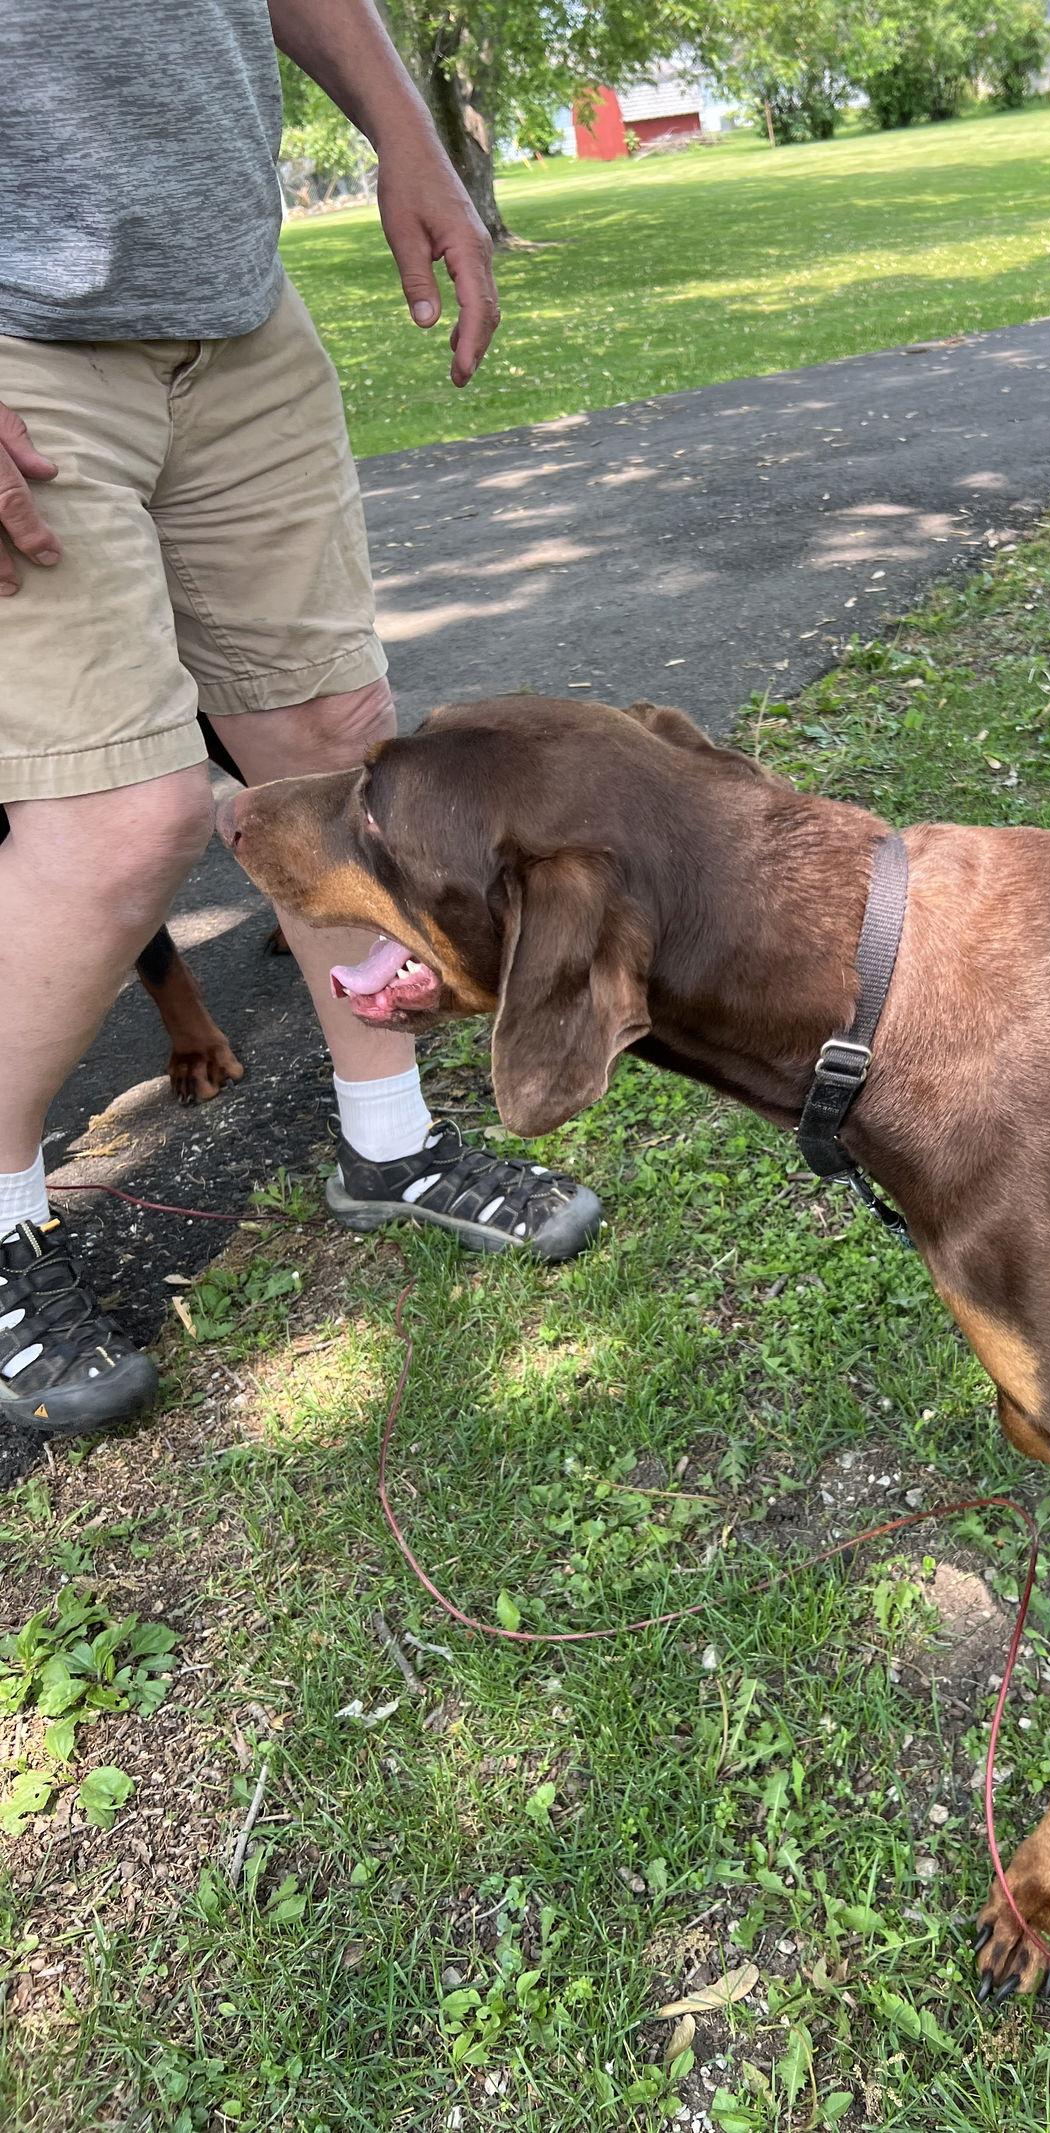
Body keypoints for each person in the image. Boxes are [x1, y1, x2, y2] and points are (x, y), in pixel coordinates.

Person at [0, 0, 603, 1439]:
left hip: (235, 317)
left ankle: (387, 1146)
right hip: (21, 341)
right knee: (118, 821)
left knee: (335, 754)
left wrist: (413, 140)